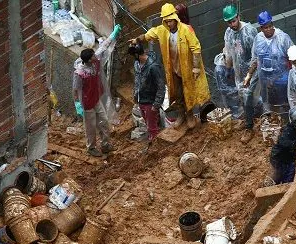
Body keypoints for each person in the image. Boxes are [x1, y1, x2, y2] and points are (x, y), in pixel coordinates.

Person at [129, 3, 210, 130]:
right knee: (178, 95)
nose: (169, 23)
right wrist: (137, 40)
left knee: (188, 93)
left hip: (187, 69)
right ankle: (181, 115)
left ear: (175, 18)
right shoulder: (162, 31)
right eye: (166, 21)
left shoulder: (185, 30)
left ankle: (190, 116)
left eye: (170, 21)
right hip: (174, 70)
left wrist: (195, 67)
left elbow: (196, 48)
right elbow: (148, 35)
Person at [73, 24, 122, 157]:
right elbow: (76, 89)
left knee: (104, 121)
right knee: (90, 127)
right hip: (87, 103)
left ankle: (105, 145)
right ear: (89, 60)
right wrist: (77, 103)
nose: (96, 56)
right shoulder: (80, 73)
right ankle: (91, 148)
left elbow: (104, 46)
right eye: (93, 56)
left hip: (96, 99)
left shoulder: (95, 61)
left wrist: (114, 34)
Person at [223, 4, 261, 143]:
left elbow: (256, 56)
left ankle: (249, 127)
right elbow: (228, 51)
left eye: (233, 20)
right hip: (239, 72)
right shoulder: (228, 32)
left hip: (253, 71)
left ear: (238, 17)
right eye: (229, 22)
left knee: (249, 96)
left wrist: (249, 75)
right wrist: (228, 68)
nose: (232, 24)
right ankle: (250, 118)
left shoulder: (249, 31)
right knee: (244, 97)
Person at [245, 11, 293, 117]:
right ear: (261, 28)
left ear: (272, 24)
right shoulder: (258, 39)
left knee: (285, 105)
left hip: (282, 79)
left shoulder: (283, 38)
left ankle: (286, 123)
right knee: (271, 106)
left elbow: (293, 58)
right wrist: (249, 75)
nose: (269, 29)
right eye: (265, 27)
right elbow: (255, 59)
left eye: (270, 26)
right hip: (265, 80)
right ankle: (275, 124)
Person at [128, 42, 166, 141]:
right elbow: (137, 80)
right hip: (141, 99)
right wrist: (136, 95)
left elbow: (161, 86)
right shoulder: (137, 64)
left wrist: (156, 104)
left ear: (137, 55)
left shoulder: (153, 67)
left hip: (150, 101)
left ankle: (155, 145)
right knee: (148, 124)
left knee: (152, 128)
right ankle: (152, 138)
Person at [214, 48, 239, 118]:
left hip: (237, 93)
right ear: (225, 59)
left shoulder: (234, 64)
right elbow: (223, 89)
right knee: (234, 113)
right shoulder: (219, 70)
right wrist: (237, 89)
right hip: (229, 97)